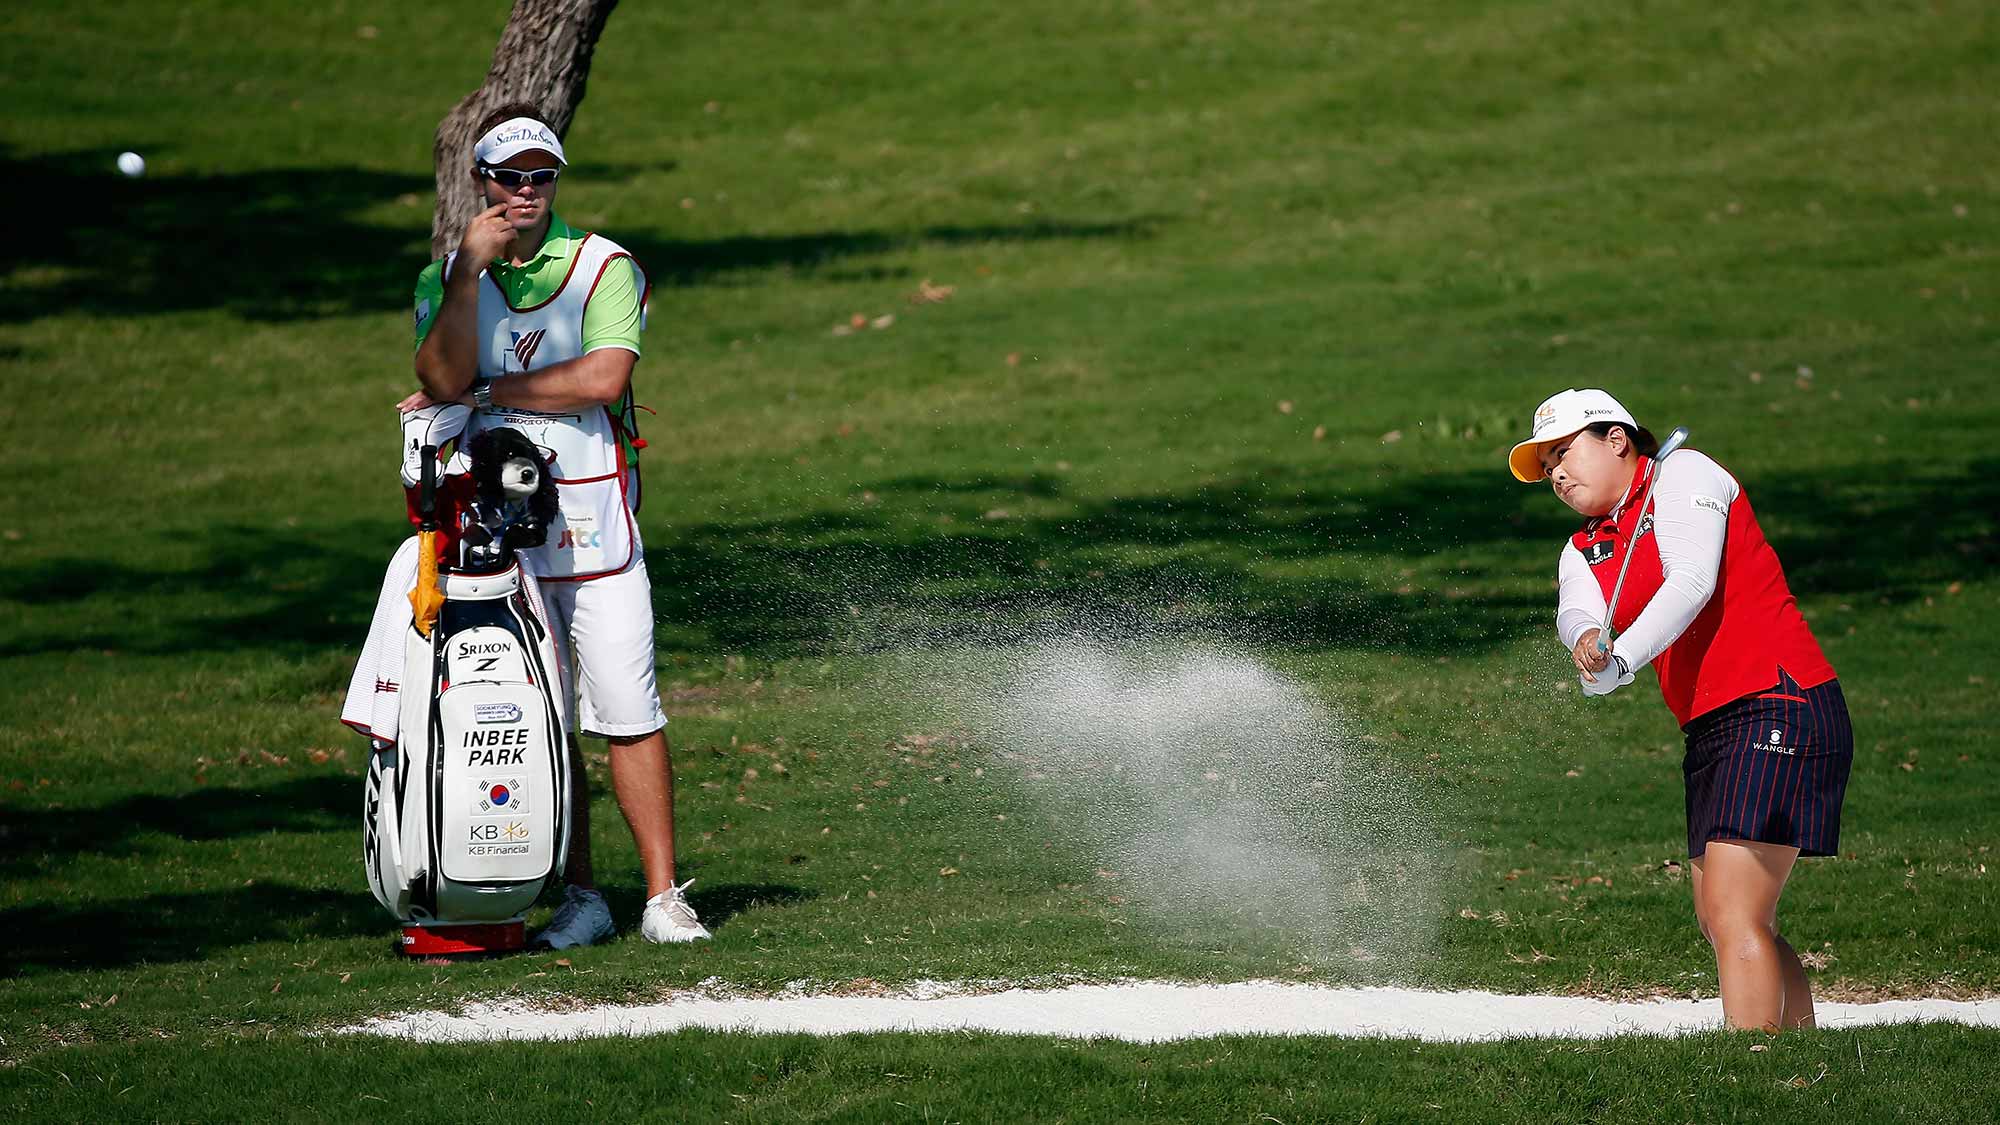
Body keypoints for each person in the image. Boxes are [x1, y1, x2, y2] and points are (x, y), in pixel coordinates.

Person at [401, 103, 709, 947]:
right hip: (498, 542)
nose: (527, 190)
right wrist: (467, 269)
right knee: (543, 718)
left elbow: (604, 377)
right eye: (511, 176)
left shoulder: (603, 266)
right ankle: (582, 897)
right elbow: (437, 371)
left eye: (541, 175)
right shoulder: (446, 279)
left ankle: (661, 897)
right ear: (483, 183)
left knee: (630, 711)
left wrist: (488, 394)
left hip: (600, 526)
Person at [1507, 388, 1853, 1031]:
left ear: (1617, 439)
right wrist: (1588, 642)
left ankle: (1753, 1067)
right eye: (1546, 463)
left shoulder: (1686, 473)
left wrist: (1624, 658)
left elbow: (1691, 579)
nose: (1556, 472)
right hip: (1713, 723)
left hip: (1777, 697)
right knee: (1721, 917)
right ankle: (1798, 1050)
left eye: (1565, 451)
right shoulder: (1585, 546)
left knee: (1732, 911)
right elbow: (1577, 609)